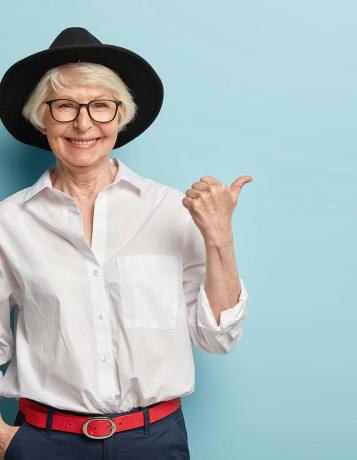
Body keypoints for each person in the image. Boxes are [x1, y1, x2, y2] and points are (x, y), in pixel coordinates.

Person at [0, 27, 252, 459]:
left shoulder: (173, 209)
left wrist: (219, 239)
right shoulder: (8, 222)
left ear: (121, 116)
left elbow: (218, 338)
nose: (84, 123)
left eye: (100, 106)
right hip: (44, 443)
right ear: (42, 118)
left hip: (154, 441)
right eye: (65, 107)